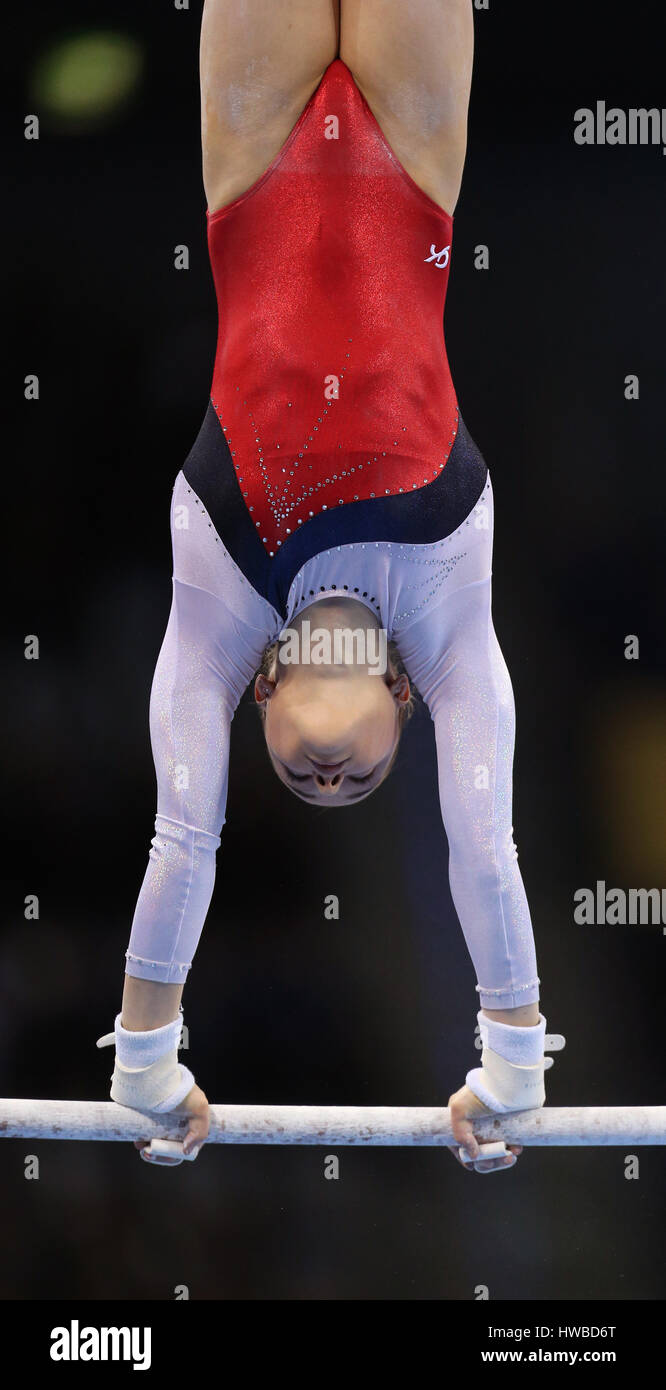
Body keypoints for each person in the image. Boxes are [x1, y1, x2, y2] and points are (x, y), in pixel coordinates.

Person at [98, 1, 549, 1175]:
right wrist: (511, 1065)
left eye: (303, 777)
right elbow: (484, 845)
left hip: (253, 161)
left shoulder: (221, 608)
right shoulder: (448, 616)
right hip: (414, 159)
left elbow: (184, 836)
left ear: (260, 692)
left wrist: (146, 1061)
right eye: (354, 778)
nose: (329, 776)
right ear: (405, 697)